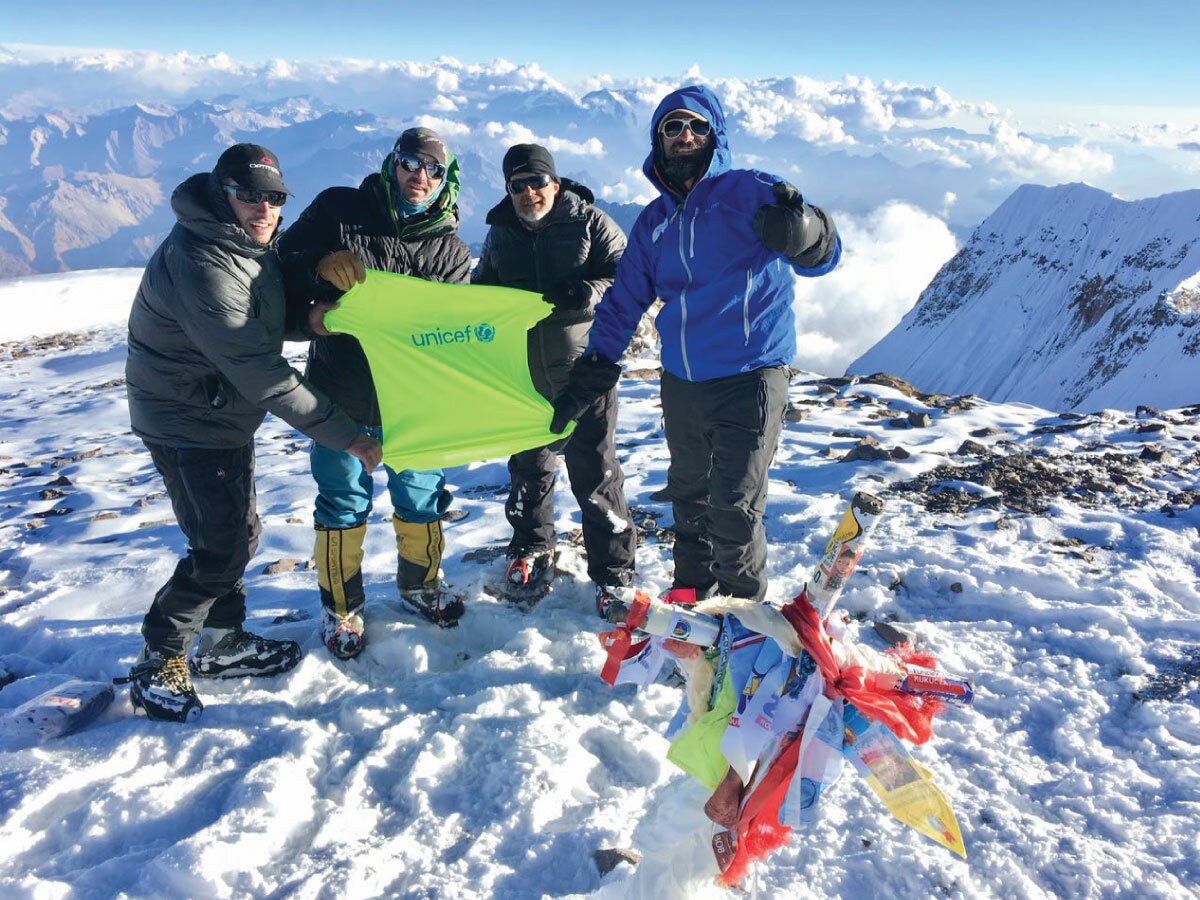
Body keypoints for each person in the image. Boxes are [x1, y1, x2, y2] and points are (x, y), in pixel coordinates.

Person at [551, 85, 840, 608]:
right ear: (658, 141)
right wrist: (594, 366)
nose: (685, 136)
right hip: (683, 382)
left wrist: (809, 232)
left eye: (697, 127)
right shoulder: (653, 222)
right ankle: (692, 604)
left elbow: (824, 253)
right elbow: (625, 301)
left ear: (715, 135)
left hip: (751, 374)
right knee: (690, 499)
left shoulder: (752, 192)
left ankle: (745, 619)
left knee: (734, 507)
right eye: (673, 127)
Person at [122, 143, 382, 722]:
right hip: (187, 420)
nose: (264, 208)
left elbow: (261, 319)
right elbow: (263, 372)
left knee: (234, 531)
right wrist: (351, 437)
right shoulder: (203, 263)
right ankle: (160, 655)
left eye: (273, 198)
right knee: (221, 544)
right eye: (249, 196)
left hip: (217, 412)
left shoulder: (240, 247)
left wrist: (311, 319)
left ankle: (221, 639)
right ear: (222, 195)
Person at [278, 127, 472, 653]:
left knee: (421, 496)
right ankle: (341, 608)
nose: (420, 175)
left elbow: (451, 333)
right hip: (341, 395)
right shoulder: (340, 210)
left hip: (415, 401)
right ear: (394, 163)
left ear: (445, 179)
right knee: (341, 501)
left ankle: (422, 584)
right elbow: (277, 264)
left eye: (432, 168)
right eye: (412, 162)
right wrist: (317, 268)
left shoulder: (450, 253)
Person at [472, 144, 636, 608]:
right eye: (518, 185)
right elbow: (485, 287)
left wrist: (585, 290)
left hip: (585, 373)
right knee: (528, 469)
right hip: (522, 376)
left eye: (537, 182)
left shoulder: (591, 222)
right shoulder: (501, 232)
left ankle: (614, 572)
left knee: (596, 472)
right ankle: (531, 543)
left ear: (555, 182)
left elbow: (629, 279)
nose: (529, 192)